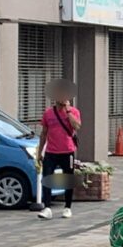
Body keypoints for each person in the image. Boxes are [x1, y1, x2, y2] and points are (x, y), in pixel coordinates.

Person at [38, 92, 82, 220]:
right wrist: (40, 152)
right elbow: (44, 133)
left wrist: (68, 112)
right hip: (51, 151)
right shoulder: (48, 113)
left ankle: (67, 207)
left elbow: (77, 126)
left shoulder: (74, 111)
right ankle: (47, 208)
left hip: (67, 151)